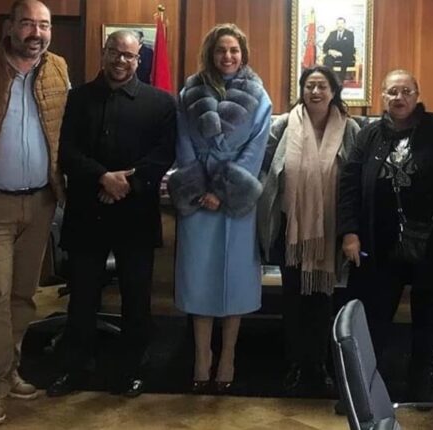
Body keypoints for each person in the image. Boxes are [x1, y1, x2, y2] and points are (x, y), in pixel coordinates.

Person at [0, 0, 70, 424]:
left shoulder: (58, 68)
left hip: (41, 202)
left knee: (23, 294)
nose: (36, 33)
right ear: (9, 27)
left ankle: (11, 369)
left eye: (44, 25)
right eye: (27, 24)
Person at [46, 30, 176, 398]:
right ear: (103, 53)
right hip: (88, 211)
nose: (121, 61)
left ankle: (131, 370)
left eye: (129, 55)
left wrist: (126, 184)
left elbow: (164, 155)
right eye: (115, 53)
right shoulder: (78, 98)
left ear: (139, 60)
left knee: (136, 298)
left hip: (136, 214)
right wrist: (103, 177)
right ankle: (74, 369)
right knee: (82, 296)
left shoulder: (160, 103)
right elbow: (67, 151)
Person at [338, 69, 433, 402]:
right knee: (375, 319)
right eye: (392, 92)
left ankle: (421, 384)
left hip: (432, 242)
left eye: (405, 92)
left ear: (417, 95)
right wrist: (349, 232)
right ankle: (366, 390)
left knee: (427, 319)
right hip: (382, 243)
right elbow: (349, 185)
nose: (398, 98)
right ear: (382, 96)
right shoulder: (368, 135)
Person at [170, 23, 271, 393]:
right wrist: (201, 187)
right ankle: (202, 356)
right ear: (210, 54)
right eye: (220, 50)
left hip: (235, 203)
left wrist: (225, 191)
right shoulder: (189, 93)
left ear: (243, 54)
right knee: (199, 279)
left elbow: (257, 149)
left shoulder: (258, 95)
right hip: (198, 202)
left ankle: (228, 355)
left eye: (234, 50)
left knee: (235, 281)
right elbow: (183, 144)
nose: (227, 56)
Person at [258, 65, 359, 393]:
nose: (315, 92)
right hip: (290, 230)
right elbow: (264, 166)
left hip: (331, 228)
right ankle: (296, 364)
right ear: (301, 90)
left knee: (323, 299)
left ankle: (319, 365)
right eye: (309, 86)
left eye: (322, 86)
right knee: (293, 298)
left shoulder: (350, 128)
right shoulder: (284, 125)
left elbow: (355, 177)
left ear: (334, 91)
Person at [322, 17, 355, 82]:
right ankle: (330, 79)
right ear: (336, 24)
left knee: (345, 60)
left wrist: (341, 53)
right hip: (333, 54)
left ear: (344, 24)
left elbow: (350, 48)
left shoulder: (350, 34)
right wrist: (330, 51)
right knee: (327, 59)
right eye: (338, 23)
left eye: (341, 23)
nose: (340, 25)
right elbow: (325, 45)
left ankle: (340, 80)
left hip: (345, 54)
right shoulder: (332, 33)